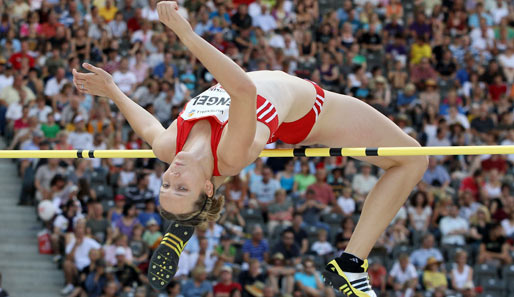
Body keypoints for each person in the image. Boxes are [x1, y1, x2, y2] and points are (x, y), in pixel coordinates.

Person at [73, 2, 428, 295]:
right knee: (413, 159)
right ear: (207, 188)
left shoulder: (168, 147)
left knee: (207, 160)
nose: (172, 176)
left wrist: (113, 91)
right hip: (311, 112)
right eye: (181, 187)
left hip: (267, 118)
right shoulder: (230, 155)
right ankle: (351, 264)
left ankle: (186, 222)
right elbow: (243, 89)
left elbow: (149, 127)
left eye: (166, 184)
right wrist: (186, 34)